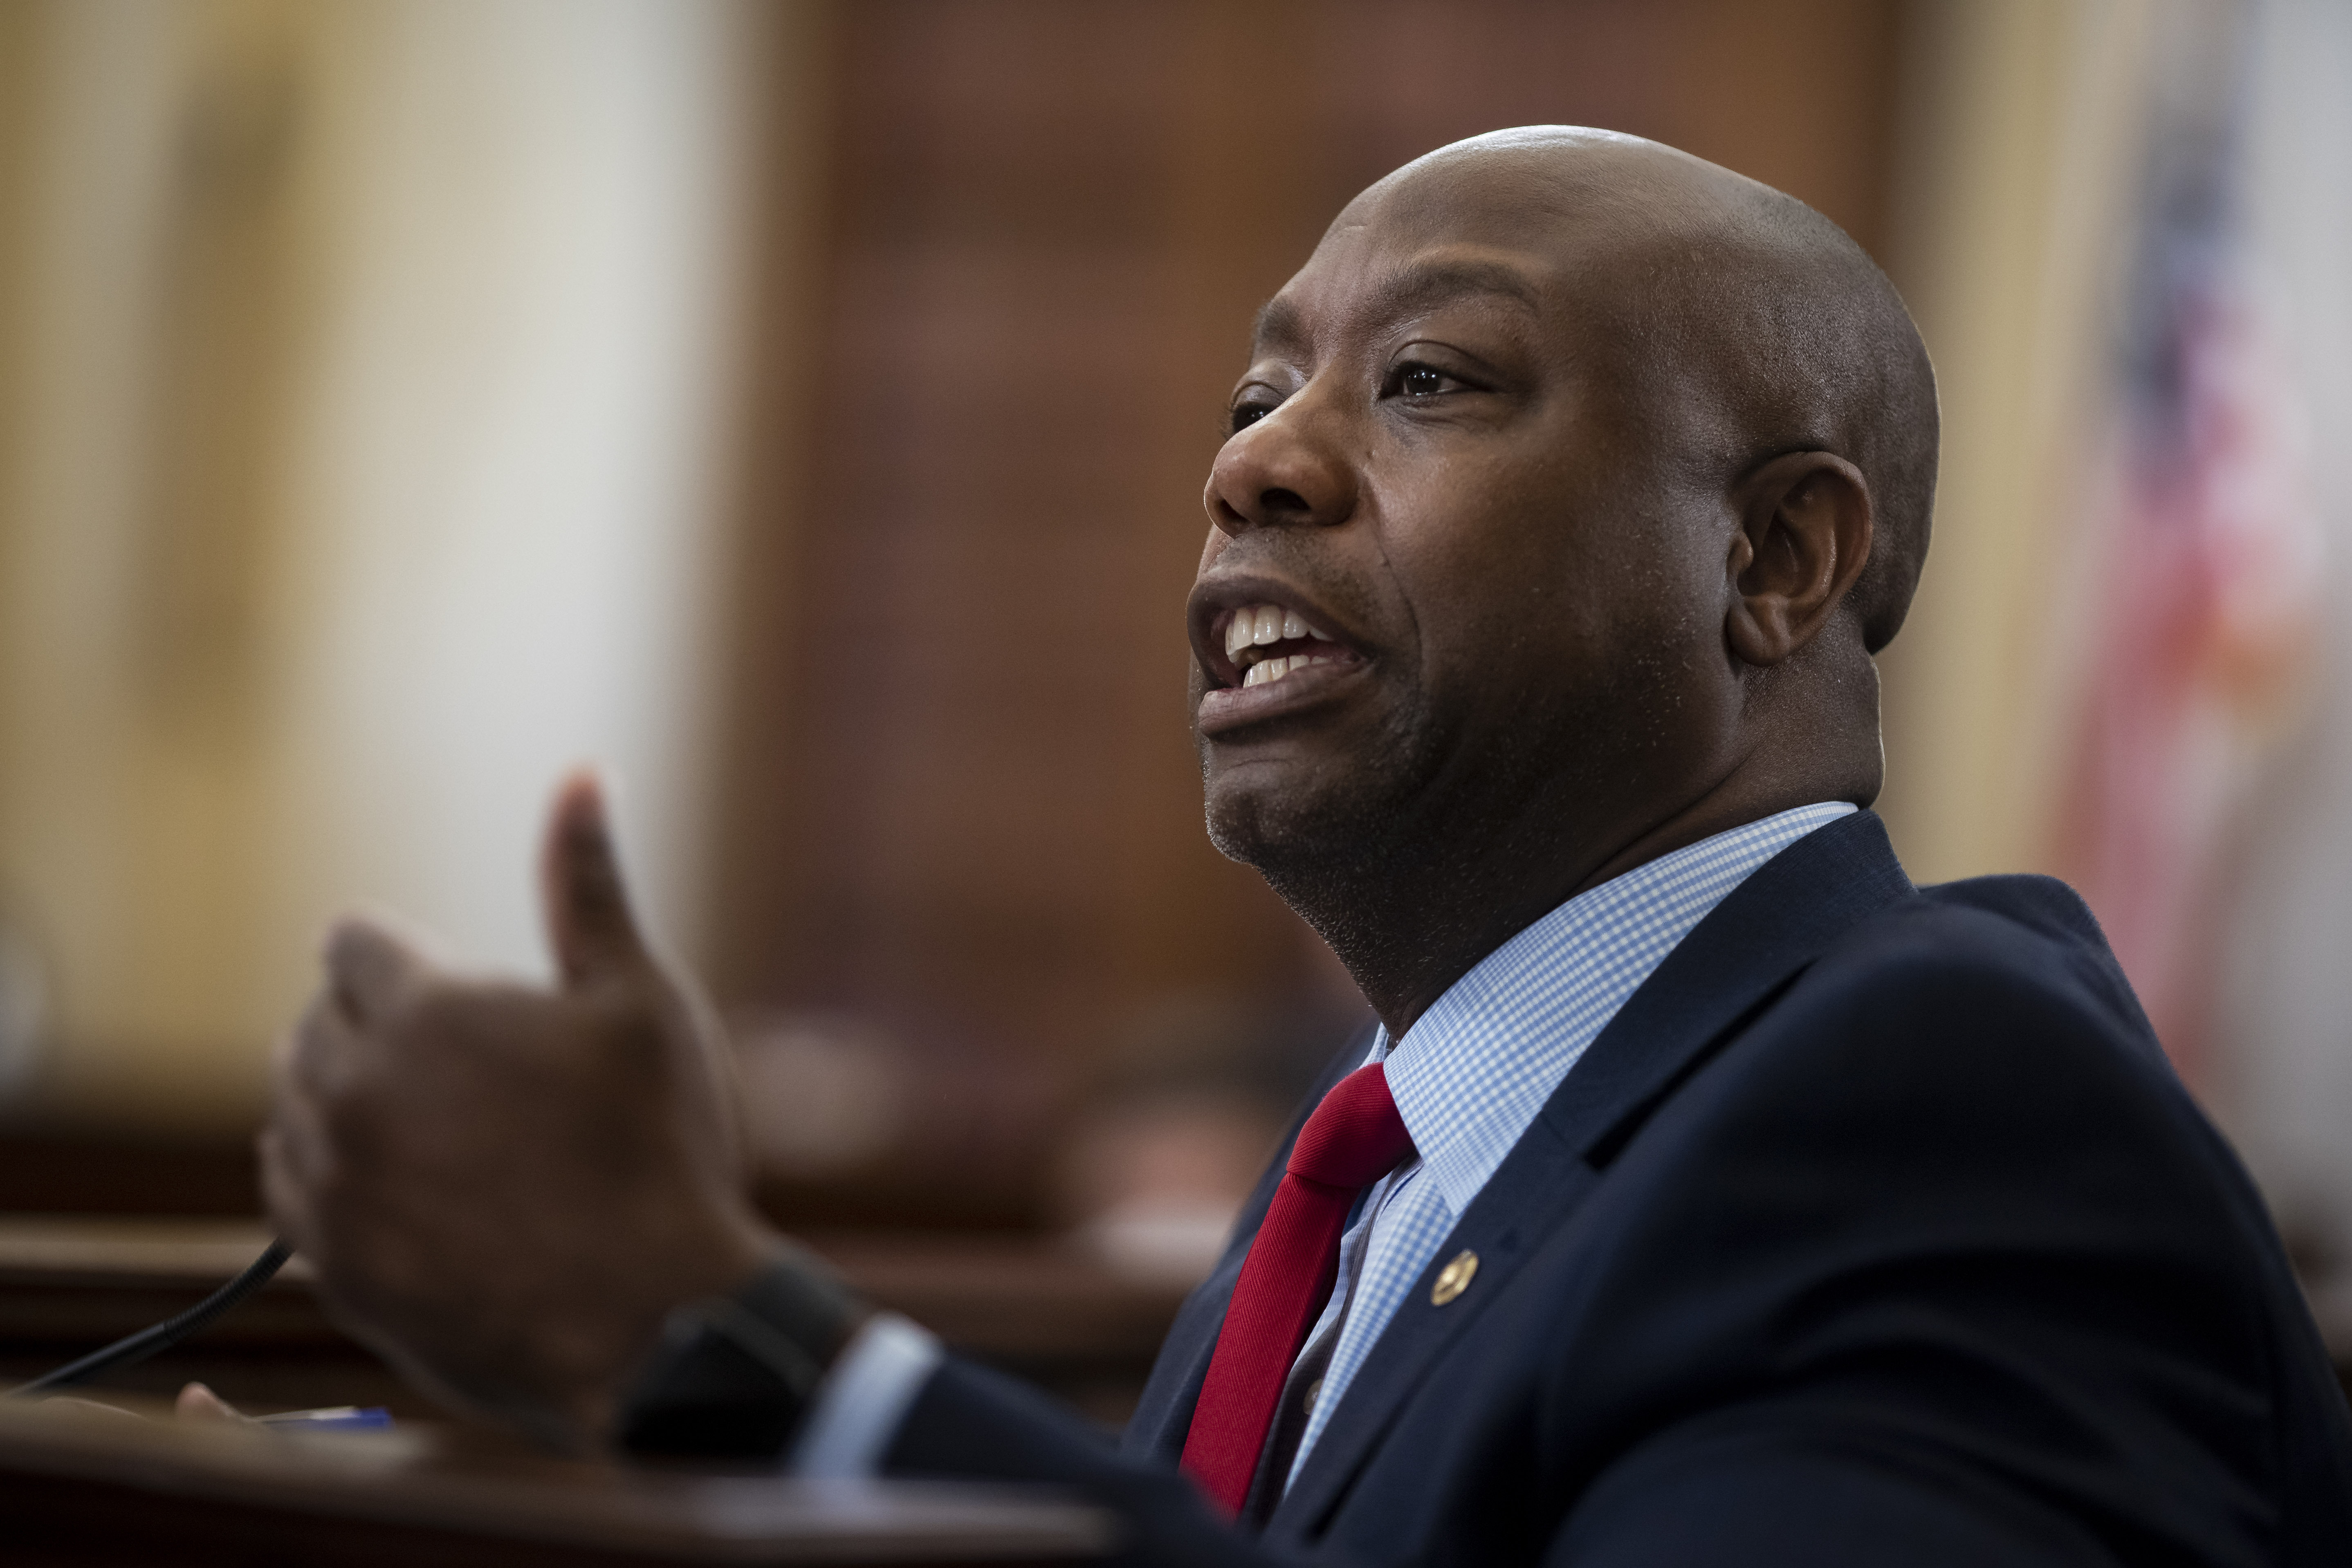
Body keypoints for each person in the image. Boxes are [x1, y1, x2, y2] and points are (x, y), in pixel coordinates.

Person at [258, 128, 2352, 1564]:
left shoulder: (1934, 1110)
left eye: (1429, 378)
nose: (1254, 459)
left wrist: (738, 1346)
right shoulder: (1384, 1161)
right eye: (1263, 390)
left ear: (1778, 555)